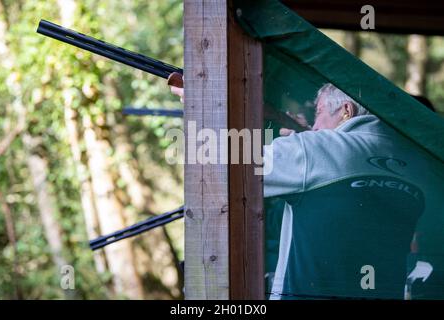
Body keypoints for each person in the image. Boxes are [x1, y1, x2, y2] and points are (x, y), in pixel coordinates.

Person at [169, 81, 442, 299]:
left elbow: (213, 162)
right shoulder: (418, 166)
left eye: (319, 114)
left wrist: (200, 104)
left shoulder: (313, 148)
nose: (314, 125)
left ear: (346, 111)